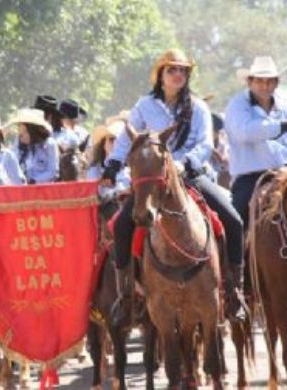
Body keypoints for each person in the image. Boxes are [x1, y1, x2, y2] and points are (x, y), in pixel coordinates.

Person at [103, 48, 246, 324]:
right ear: (160, 74)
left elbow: (206, 143)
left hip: (190, 175)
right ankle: (125, 298)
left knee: (234, 220)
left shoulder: (199, 106)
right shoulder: (144, 106)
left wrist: (185, 164)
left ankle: (234, 291)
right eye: (172, 70)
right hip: (154, 179)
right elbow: (126, 139)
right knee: (121, 225)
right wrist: (113, 163)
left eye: (183, 70)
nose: (178, 74)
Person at [224, 56, 287, 229]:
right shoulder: (237, 105)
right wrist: (284, 125)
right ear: (250, 82)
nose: (265, 86)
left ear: (276, 83)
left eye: (270, 81)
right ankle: (233, 256)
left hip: (286, 174)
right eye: (260, 81)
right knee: (236, 222)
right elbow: (245, 132)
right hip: (250, 178)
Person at [9, 108, 59, 184]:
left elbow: (52, 172)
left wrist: (34, 181)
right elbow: (12, 165)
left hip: (43, 190)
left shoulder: (49, 144)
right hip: (22, 189)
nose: (20, 136)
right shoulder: (18, 143)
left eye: (24, 133)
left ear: (32, 131)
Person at [87, 116, 130, 201]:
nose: (115, 144)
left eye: (119, 142)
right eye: (111, 139)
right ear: (104, 143)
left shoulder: (130, 169)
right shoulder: (95, 169)